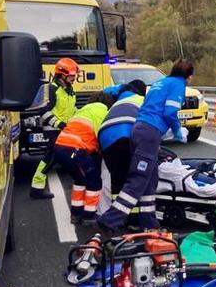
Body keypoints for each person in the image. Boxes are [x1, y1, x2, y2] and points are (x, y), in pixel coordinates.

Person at [97, 60, 194, 231]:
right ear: (189, 76)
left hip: (138, 129)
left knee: (150, 178)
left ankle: (149, 222)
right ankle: (110, 220)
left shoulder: (159, 83)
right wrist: (178, 130)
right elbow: (170, 111)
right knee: (139, 178)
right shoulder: (178, 84)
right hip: (149, 132)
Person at [50, 91, 116, 223]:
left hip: (60, 147)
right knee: (94, 182)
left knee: (80, 180)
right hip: (76, 149)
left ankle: (76, 213)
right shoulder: (102, 112)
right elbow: (101, 136)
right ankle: (89, 215)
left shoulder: (83, 110)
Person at [30, 57, 78, 199]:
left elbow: (71, 109)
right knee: (51, 158)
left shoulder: (69, 90)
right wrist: (60, 124)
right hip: (54, 131)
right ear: (62, 75)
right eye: (71, 76)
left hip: (65, 130)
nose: (73, 79)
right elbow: (43, 111)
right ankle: (36, 188)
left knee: (66, 156)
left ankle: (37, 188)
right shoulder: (52, 89)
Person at [98, 80, 147, 197]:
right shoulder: (142, 101)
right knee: (134, 177)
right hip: (125, 136)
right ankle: (131, 212)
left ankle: (117, 211)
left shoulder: (119, 99)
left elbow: (106, 91)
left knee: (117, 178)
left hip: (105, 135)